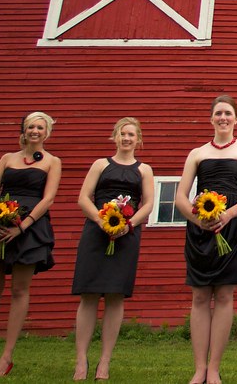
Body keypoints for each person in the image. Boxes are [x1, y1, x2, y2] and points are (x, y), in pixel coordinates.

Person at [0, 111, 62, 377]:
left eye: (40, 127)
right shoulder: (7, 158)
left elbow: (48, 199)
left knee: (19, 289)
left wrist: (22, 226)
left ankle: (6, 357)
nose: (35, 131)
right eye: (31, 127)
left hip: (28, 228)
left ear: (47, 132)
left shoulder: (52, 162)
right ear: (24, 130)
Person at [175, 95, 237, 384]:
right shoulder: (196, 153)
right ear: (211, 118)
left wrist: (229, 215)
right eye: (218, 113)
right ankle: (199, 368)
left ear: (236, 119)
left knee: (224, 295)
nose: (223, 118)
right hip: (201, 227)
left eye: (228, 113)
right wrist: (199, 220)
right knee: (200, 296)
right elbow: (180, 196)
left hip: (232, 227)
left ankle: (214, 368)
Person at [71, 117, 155, 380]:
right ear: (115, 137)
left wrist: (128, 225)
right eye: (122, 133)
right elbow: (84, 197)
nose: (126, 138)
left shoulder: (144, 170)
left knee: (115, 296)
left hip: (126, 235)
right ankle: (81, 360)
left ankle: (104, 361)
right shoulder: (100, 165)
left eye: (131, 134)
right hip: (96, 232)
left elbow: (148, 204)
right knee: (89, 295)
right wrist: (101, 220)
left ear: (138, 140)